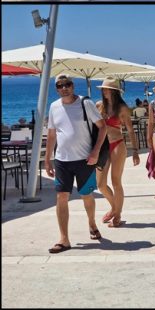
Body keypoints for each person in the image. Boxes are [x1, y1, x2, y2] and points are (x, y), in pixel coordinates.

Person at [43, 74, 108, 253]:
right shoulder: (54, 106)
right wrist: (48, 159)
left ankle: (92, 223)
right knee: (61, 197)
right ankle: (64, 239)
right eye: (60, 85)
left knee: (86, 195)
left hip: (84, 160)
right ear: (56, 88)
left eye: (67, 84)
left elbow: (102, 127)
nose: (64, 88)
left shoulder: (85, 103)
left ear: (73, 86)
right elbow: (51, 135)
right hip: (62, 160)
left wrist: (95, 152)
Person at [94, 78, 140, 228]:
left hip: (117, 145)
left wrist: (135, 151)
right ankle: (114, 208)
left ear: (114, 92)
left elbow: (131, 130)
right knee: (100, 184)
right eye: (103, 89)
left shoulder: (122, 108)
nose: (104, 91)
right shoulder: (98, 106)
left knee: (116, 182)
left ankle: (118, 214)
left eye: (107, 89)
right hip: (103, 147)